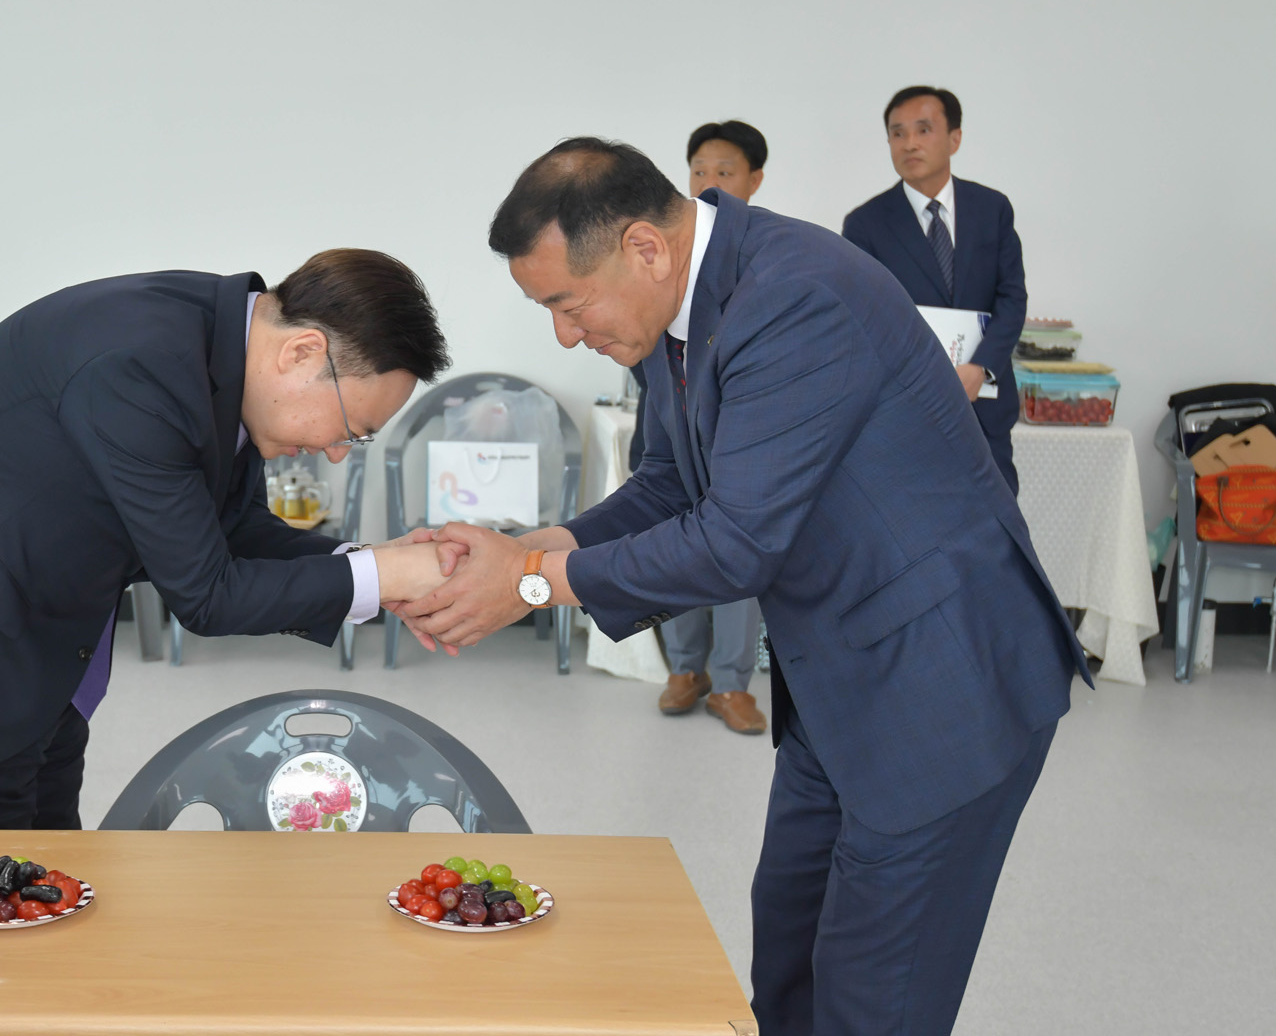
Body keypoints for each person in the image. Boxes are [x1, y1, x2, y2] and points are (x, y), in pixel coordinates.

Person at [396, 138, 1089, 1034]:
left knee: (874, 996)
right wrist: (529, 547)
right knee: (788, 957)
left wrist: (529, 585)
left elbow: (735, 543)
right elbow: (670, 482)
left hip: (939, 685)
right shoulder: (675, 309)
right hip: (837, 681)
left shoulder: (795, 297)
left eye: (568, 304)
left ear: (646, 248)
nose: (565, 335)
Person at [0, 250, 452, 830]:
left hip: (41, 651)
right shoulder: (139, 367)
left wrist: (373, 565)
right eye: (351, 428)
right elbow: (208, 594)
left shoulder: (224, 353)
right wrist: (387, 578)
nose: (338, 453)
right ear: (303, 353)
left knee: (50, 884)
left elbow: (229, 530)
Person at [843, 86, 1028, 493]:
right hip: (904, 409)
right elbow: (863, 320)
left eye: (923, 129)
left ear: (954, 138)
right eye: (897, 133)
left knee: (996, 518)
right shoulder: (865, 224)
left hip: (984, 401)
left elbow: (1012, 298)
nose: (909, 143)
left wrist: (981, 368)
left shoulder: (992, 208)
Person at [654, 121, 769, 733]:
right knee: (671, 543)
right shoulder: (665, 253)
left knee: (735, 551)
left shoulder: (763, 257)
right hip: (675, 424)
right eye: (699, 170)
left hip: (740, 433)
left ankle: (730, 683)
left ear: (754, 180)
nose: (708, 182)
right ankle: (684, 669)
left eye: (724, 172)